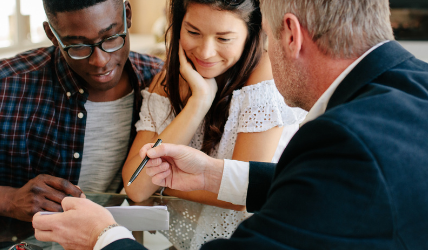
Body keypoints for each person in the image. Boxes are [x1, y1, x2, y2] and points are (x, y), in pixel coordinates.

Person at [32, 0, 428, 249]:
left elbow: (345, 178)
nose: (266, 52)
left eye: (268, 36)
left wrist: (103, 237)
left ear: (290, 34)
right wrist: (213, 175)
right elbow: (347, 193)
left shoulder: (349, 141)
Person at [0, 0, 163, 222]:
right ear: (52, 35)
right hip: (3, 239)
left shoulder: (158, 82)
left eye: (111, 38)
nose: (101, 61)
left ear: (127, 16)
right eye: (78, 46)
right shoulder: (1, 85)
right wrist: (8, 200)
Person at [121, 0, 304, 248]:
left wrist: (161, 183)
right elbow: (136, 186)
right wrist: (199, 103)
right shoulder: (168, 81)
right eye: (193, 32)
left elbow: (240, 193)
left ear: (251, 33)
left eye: (224, 38)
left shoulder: (264, 79)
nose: (206, 52)